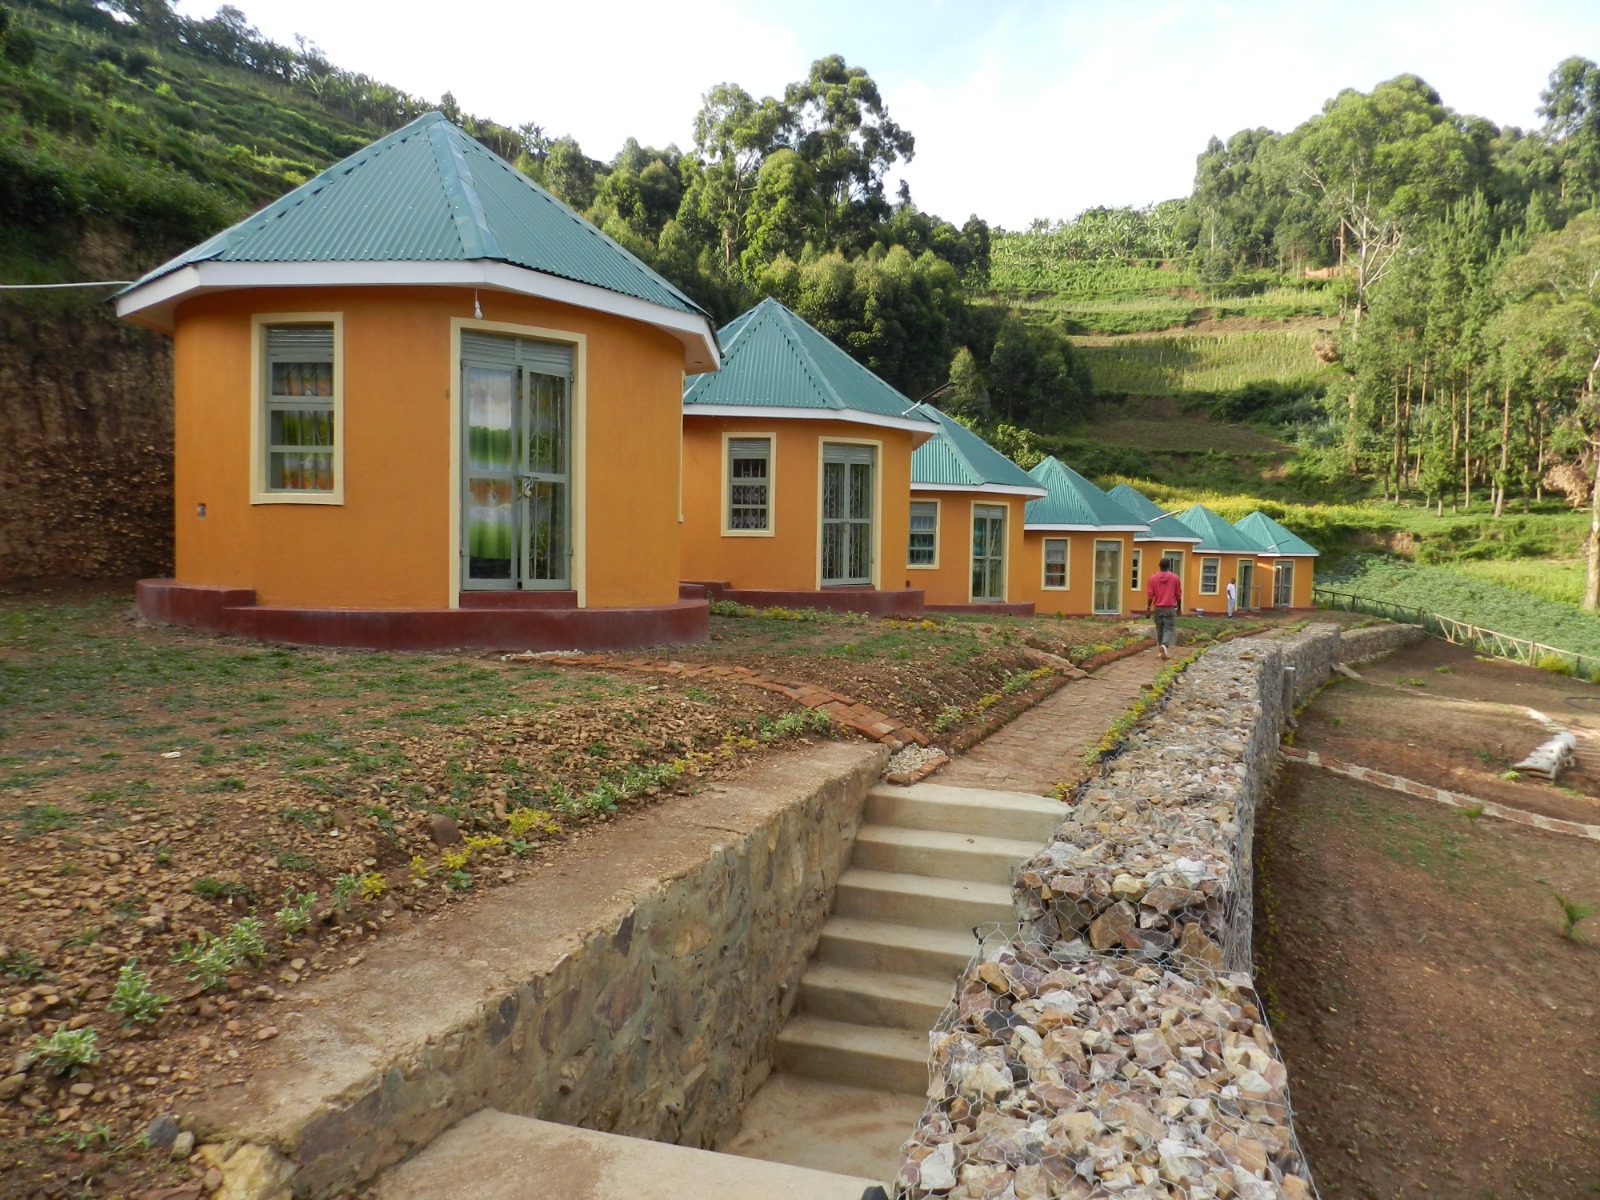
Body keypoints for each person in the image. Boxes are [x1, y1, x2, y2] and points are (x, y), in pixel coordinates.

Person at [1145, 557, 1182, 660]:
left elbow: (1150, 596)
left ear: (1159, 566)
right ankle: (1164, 646)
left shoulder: (1152, 578)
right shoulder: (1175, 578)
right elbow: (1178, 595)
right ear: (1169, 566)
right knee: (1168, 629)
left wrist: (1148, 609)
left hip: (1157, 608)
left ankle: (1161, 649)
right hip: (1169, 607)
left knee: (1159, 629)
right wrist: (1179, 608)